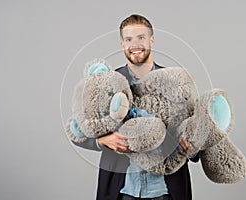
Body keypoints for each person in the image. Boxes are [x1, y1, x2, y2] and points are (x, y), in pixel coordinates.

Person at [73, 14, 199, 200]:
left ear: (152, 40)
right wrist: (103, 140)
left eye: (141, 37)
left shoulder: (176, 82)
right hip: (122, 191)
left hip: (166, 191)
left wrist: (192, 149)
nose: (135, 44)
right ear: (122, 44)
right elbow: (78, 130)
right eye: (129, 39)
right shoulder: (106, 83)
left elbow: (197, 133)